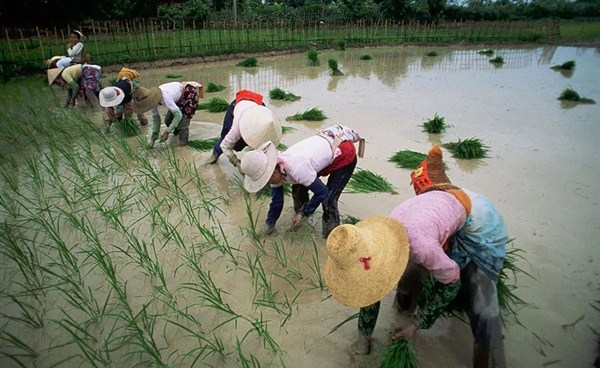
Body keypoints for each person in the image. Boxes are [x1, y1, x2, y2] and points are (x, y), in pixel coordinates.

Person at [324, 146, 508, 368]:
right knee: (408, 282)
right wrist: (363, 341)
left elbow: (451, 280)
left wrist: (417, 325)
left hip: (479, 221)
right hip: (434, 211)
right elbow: (371, 291)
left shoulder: (421, 247)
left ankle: (491, 358)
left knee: (482, 299)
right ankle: (403, 313)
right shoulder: (376, 239)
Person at [240, 125, 363, 238]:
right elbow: (277, 201)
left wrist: (303, 213)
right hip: (318, 156)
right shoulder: (272, 168)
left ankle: (332, 239)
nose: (268, 184)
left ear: (273, 171)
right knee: (298, 190)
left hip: (343, 154)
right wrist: (269, 224)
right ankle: (301, 222)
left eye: (267, 180)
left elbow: (322, 192)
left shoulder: (297, 168)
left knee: (328, 200)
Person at [206, 89, 279, 167]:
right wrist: (237, 163)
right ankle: (215, 154)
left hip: (257, 104)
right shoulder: (237, 126)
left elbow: (267, 147)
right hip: (238, 106)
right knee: (226, 136)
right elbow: (225, 146)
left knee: (259, 143)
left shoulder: (268, 123)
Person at [132, 81, 205, 147]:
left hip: (189, 94)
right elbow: (156, 120)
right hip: (177, 98)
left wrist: (167, 132)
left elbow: (178, 115)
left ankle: (183, 143)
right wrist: (153, 140)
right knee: (168, 120)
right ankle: (177, 133)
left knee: (183, 125)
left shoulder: (164, 97)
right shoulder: (151, 102)